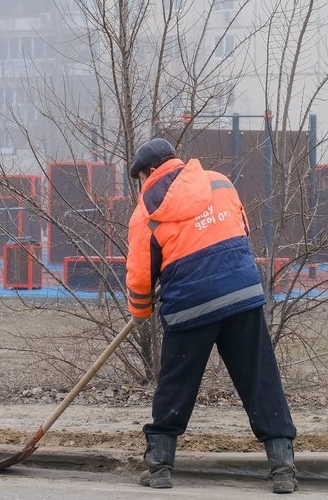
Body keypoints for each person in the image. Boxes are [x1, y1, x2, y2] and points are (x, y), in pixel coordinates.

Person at [125, 138, 297, 494]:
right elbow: (241, 228)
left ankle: (158, 466)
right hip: (242, 293)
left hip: (191, 303)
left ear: (149, 171)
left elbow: (141, 274)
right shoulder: (219, 181)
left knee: (176, 383)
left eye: (141, 177)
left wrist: (140, 309)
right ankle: (283, 467)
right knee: (260, 378)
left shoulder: (146, 211)